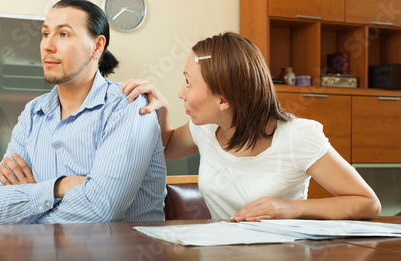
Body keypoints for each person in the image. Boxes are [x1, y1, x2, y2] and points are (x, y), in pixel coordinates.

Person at [122, 31, 381, 222]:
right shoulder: (205, 129)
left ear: (223, 99)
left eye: (188, 83)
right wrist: (162, 108)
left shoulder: (298, 136)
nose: (181, 93)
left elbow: (367, 203)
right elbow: (163, 149)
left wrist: (288, 209)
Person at [0, 0, 166, 225]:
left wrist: (31, 201)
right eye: (45, 33)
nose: (47, 45)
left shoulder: (127, 104)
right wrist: (60, 187)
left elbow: (100, 210)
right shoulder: (33, 113)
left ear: (97, 46)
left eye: (64, 34)